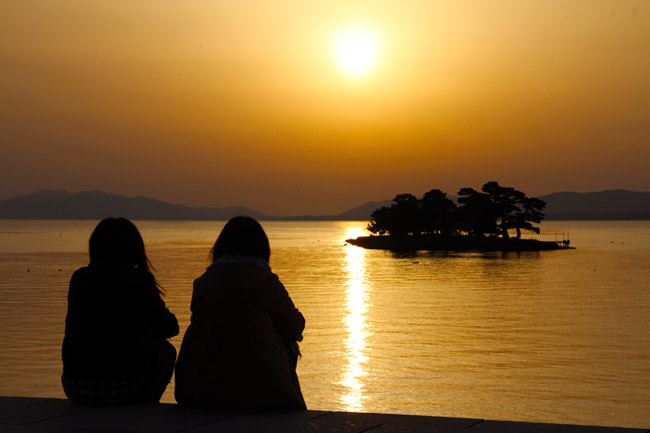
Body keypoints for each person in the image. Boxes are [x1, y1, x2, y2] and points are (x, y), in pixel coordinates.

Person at [174, 216, 306, 411]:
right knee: (286, 338)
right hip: (263, 393)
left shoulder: (203, 284)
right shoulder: (267, 284)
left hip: (200, 391)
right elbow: (295, 326)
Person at [61, 217, 179, 405]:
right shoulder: (139, 280)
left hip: (75, 387)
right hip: (121, 389)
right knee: (166, 351)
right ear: (133, 249)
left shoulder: (80, 278)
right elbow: (169, 328)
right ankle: (145, 407)